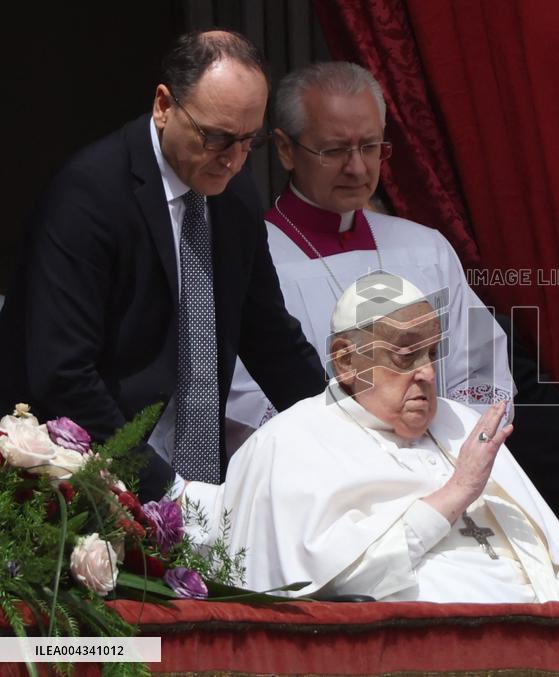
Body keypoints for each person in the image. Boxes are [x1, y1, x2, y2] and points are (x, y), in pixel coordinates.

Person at [0, 30, 327, 501]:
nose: (233, 161)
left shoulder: (234, 193)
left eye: (247, 141)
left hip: (198, 469)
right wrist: (166, 491)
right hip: (89, 467)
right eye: (215, 138)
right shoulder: (87, 196)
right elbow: (64, 374)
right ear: (163, 105)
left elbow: (269, 335)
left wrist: (340, 431)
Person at [201, 272, 559, 602]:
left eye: (431, 352)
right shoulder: (293, 441)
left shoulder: (459, 423)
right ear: (347, 361)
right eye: (405, 355)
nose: (426, 372)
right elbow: (334, 584)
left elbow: (547, 560)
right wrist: (457, 492)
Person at [225, 61, 513, 451]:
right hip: (324, 477)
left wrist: (441, 449)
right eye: (336, 149)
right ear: (285, 149)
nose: (357, 167)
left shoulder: (427, 249)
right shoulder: (248, 257)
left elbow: (483, 369)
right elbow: (242, 395)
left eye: (370, 146)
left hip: (437, 466)